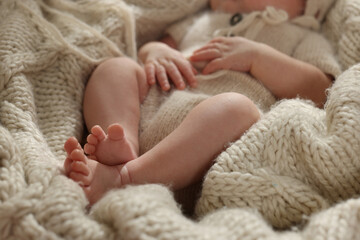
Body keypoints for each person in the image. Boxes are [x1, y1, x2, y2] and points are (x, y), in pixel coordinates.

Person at [64, 0, 339, 206]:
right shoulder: (201, 21)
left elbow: (320, 89)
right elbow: (153, 48)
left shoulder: (303, 36)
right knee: (117, 68)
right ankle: (120, 143)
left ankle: (125, 179)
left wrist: (259, 57)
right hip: (150, 108)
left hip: (204, 144)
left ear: (310, 8)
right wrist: (156, 51)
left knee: (236, 108)